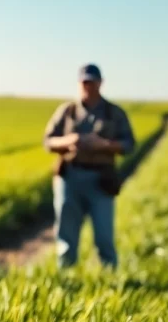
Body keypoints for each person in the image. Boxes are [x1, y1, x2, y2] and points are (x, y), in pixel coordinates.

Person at [43, 64, 135, 268]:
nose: (88, 86)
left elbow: (129, 144)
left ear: (100, 83)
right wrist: (69, 141)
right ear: (79, 83)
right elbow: (48, 141)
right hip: (70, 177)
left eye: (92, 82)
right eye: (84, 82)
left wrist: (104, 145)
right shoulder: (67, 111)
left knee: (104, 235)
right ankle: (65, 278)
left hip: (101, 180)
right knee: (66, 234)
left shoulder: (114, 112)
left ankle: (111, 278)